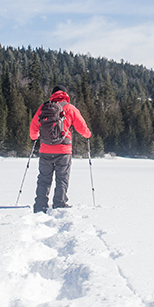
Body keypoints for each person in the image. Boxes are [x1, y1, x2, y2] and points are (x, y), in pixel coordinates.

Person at [29, 85, 92, 213]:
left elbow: (33, 128)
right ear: (65, 94)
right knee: (62, 178)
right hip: (63, 151)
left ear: (52, 95)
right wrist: (88, 135)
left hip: (45, 150)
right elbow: (82, 127)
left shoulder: (43, 108)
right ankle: (59, 203)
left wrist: (35, 137)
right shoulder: (70, 108)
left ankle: (40, 204)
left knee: (44, 178)